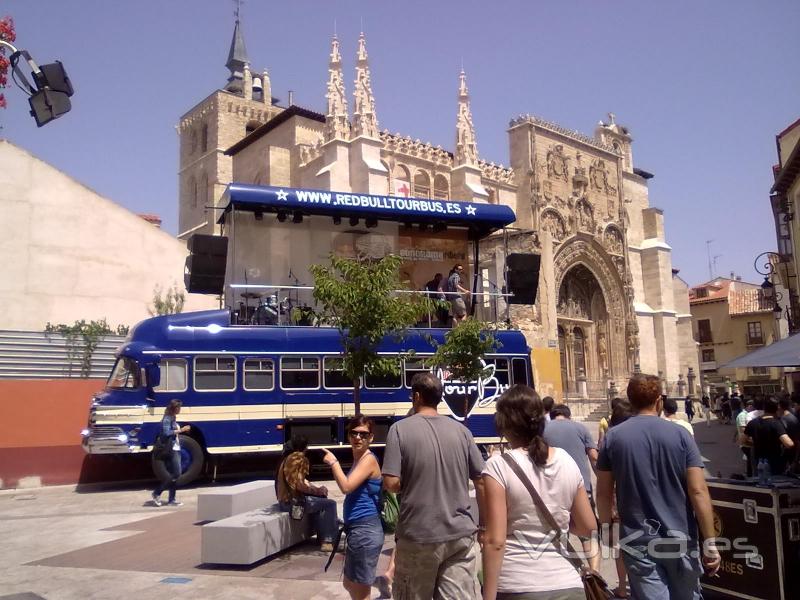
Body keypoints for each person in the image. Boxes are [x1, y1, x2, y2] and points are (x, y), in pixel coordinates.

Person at [597, 374, 720, 599]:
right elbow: (698, 491)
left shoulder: (613, 438)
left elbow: (603, 494)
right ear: (659, 401)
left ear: (630, 401)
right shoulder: (681, 435)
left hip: (637, 540)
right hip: (681, 537)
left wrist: (607, 532)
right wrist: (710, 541)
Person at [481, 386, 596, 600]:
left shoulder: (498, 466)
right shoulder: (565, 460)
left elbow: (495, 541)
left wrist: (488, 596)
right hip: (567, 583)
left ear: (503, 424)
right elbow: (587, 527)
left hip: (519, 584)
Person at [382, 372, 486, 600]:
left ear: (416, 396)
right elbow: (481, 480)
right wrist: (483, 526)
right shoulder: (462, 431)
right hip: (460, 534)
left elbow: (391, 483)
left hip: (419, 533)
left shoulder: (399, 430)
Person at [322, 416, 384, 600]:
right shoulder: (360, 460)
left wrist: (334, 463)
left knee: (361, 593)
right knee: (348, 583)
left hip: (365, 531)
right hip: (357, 531)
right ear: (348, 436)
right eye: (353, 433)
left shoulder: (368, 460)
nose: (358, 438)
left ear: (371, 438)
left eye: (363, 434)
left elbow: (346, 486)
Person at [543, 403, 600, 571]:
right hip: (581, 488)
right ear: (568, 416)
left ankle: (565, 571)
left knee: (560, 534)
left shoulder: (543, 430)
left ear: (552, 415)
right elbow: (593, 456)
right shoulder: (581, 428)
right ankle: (595, 573)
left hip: (552, 490)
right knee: (588, 534)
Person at [276, 435, 338, 552]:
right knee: (330, 504)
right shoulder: (299, 458)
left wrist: (316, 489)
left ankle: (322, 537)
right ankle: (327, 541)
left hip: (284, 502)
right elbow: (300, 485)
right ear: (305, 447)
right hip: (293, 504)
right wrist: (318, 491)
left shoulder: (287, 457)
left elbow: (302, 481)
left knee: (320, 501)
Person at [151, 399, 190, 507]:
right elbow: (166, 433)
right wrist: (181, 430)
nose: (180, 409)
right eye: (179, 408)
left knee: (174, 475)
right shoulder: (167, 419)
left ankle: (171, 500)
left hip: (176, 447)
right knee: (177, 473)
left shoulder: (173, 417)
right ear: (175, 408)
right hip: (170, 449)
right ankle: (157, 492)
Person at [742, 397, 795, 476]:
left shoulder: (753, 422)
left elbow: (743, 440)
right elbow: (789, 444)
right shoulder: (776, 423)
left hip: (758, 461)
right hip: (774, 461)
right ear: (777, 409)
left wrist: (756, 443)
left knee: (761, 483)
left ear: (764, 408)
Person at [736, 399, 755, 477]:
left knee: (750, 459)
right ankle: (750, 475)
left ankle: (750, 473)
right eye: (754, 407)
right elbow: (743, 430)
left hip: (749, 441)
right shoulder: (742, 415)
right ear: (749, 406)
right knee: (750, 459)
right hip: (746, 442)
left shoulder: (749, 414)